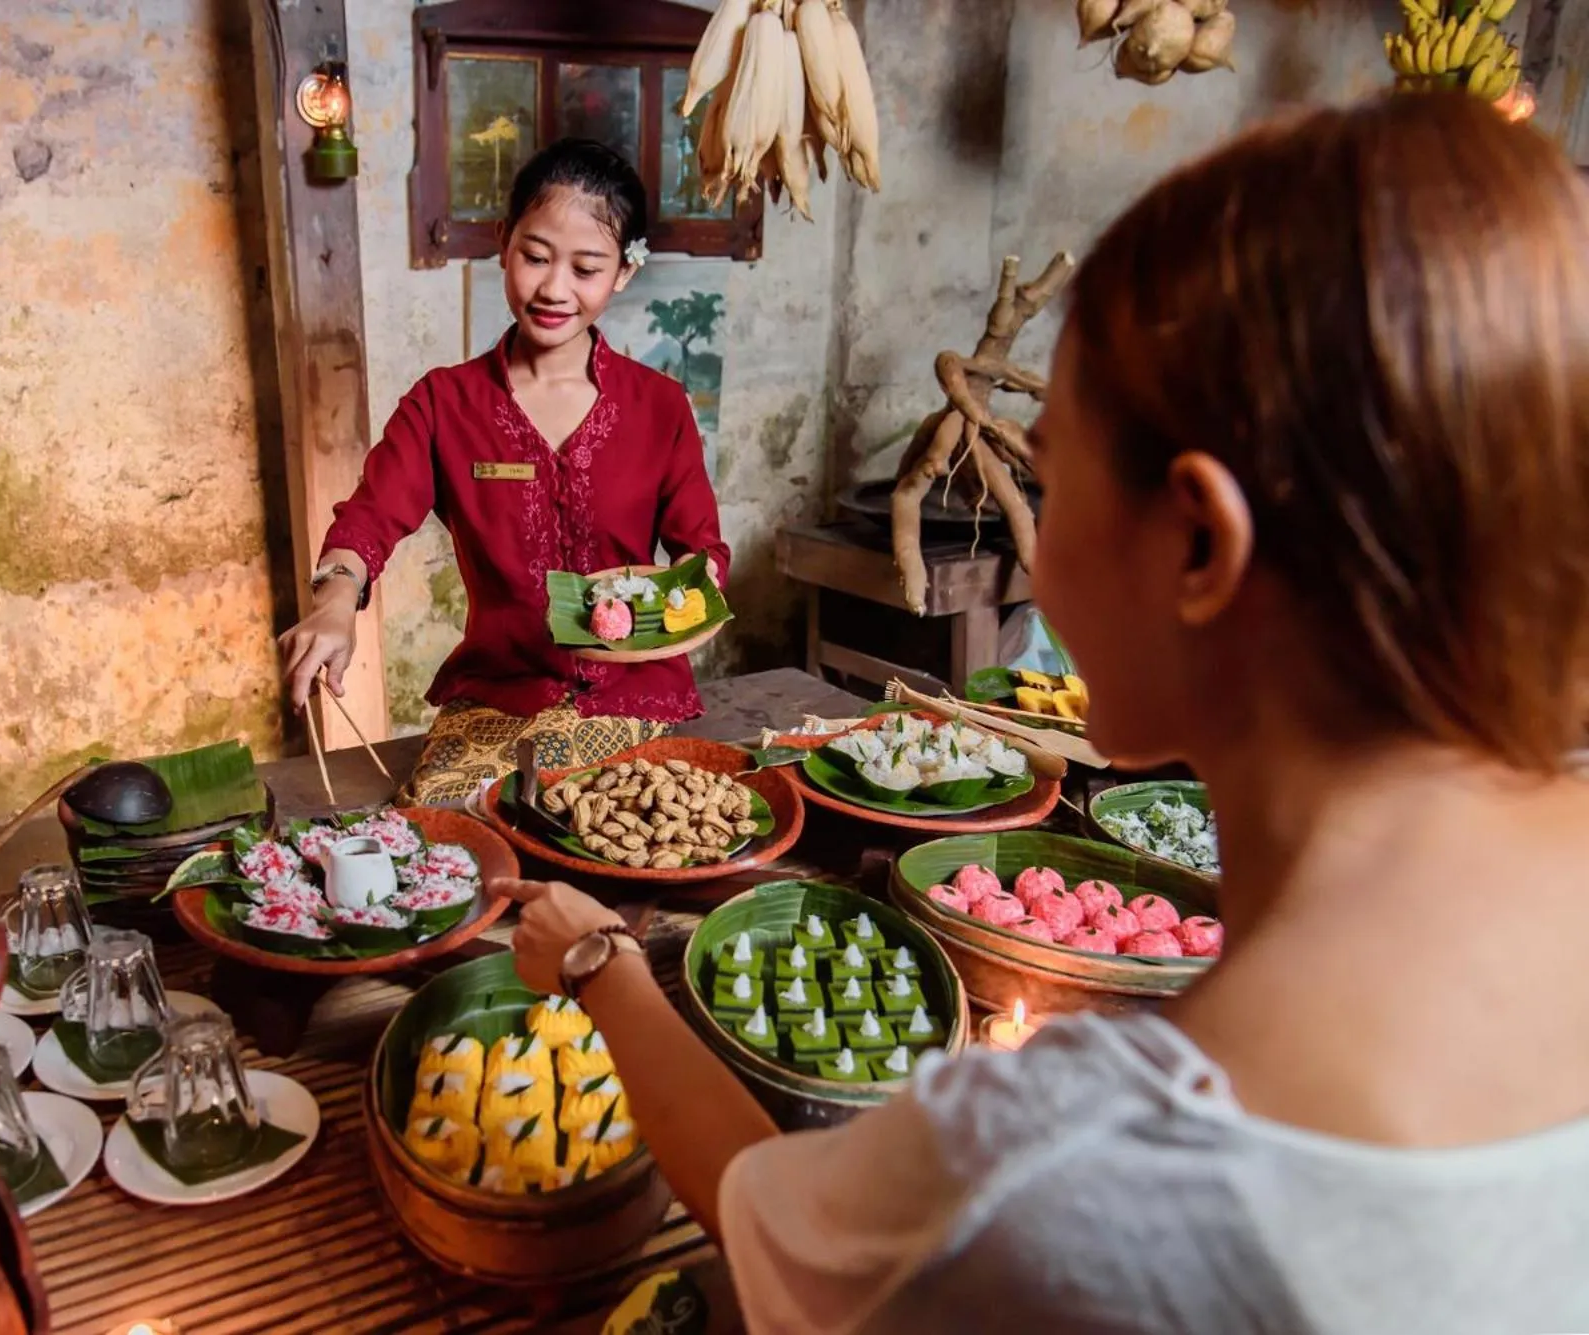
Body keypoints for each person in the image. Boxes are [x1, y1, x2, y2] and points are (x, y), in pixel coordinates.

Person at [497, 93, 1589, 1333]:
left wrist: (599, 968)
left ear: (1196, 544)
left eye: (1046, 479)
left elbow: (772, 1223)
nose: (1035, 544)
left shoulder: (1059, 1169)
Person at [277, 138, 727, 804]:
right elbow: (369, 518)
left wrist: (700, 585)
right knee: (445, 838)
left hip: (637, 697)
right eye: (536, 257)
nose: (554, 288)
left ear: (624, 272)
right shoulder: (444, 402)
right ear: (503, 243)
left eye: (587, 268)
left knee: (645, 834)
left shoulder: (659, 405)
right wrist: (335, 600)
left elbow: (702, 552)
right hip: (499, 697)